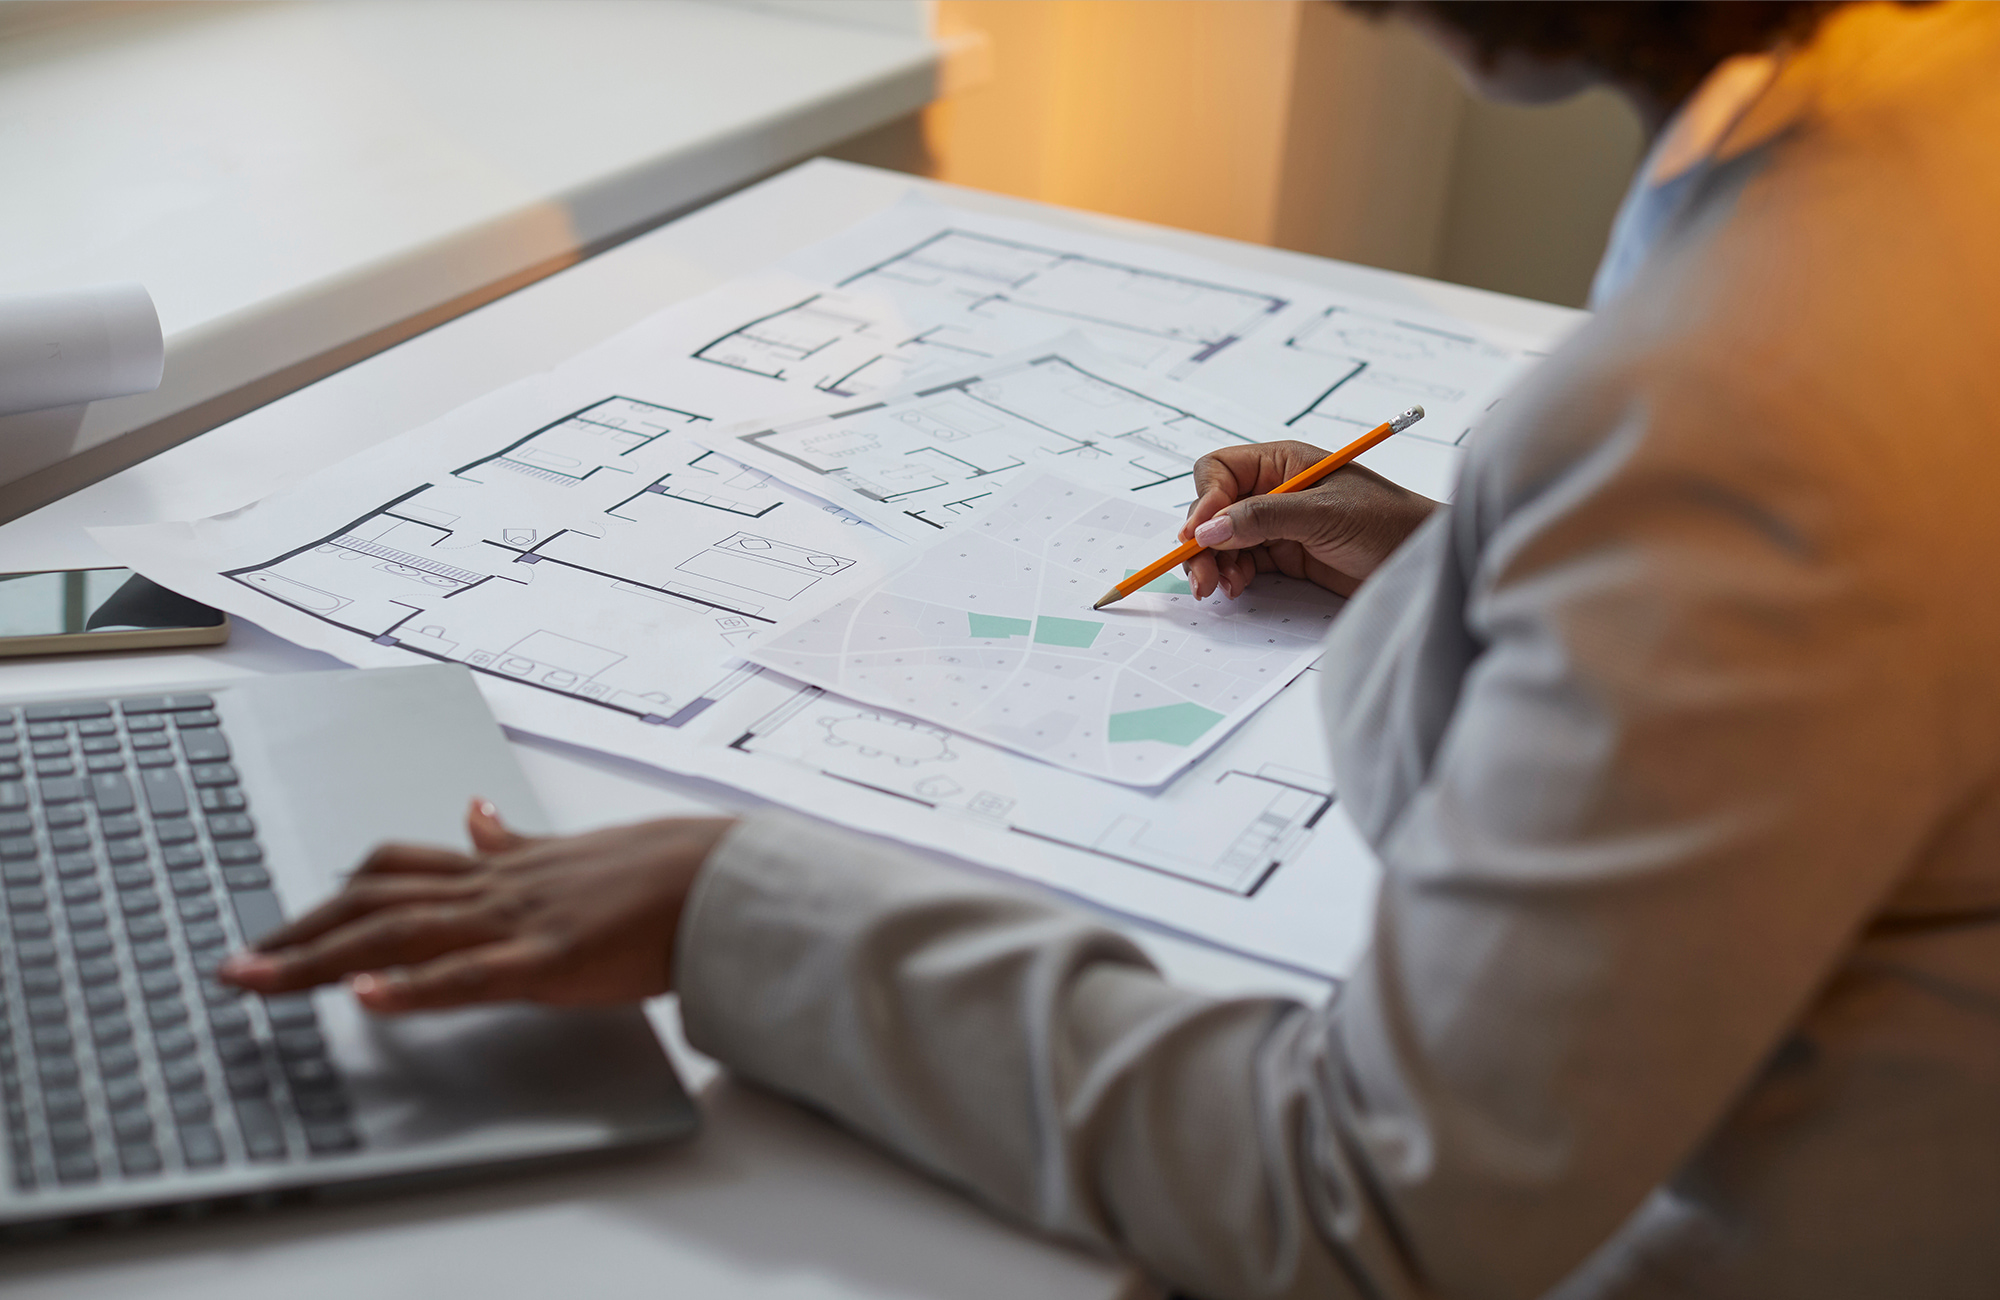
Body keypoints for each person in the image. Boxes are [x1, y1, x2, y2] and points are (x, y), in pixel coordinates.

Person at [220, 2, 2000, 1296]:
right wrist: (1468, 571)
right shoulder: (1923, 121)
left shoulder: (1766, 395)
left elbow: (1370, 1196)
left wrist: (730, 906)